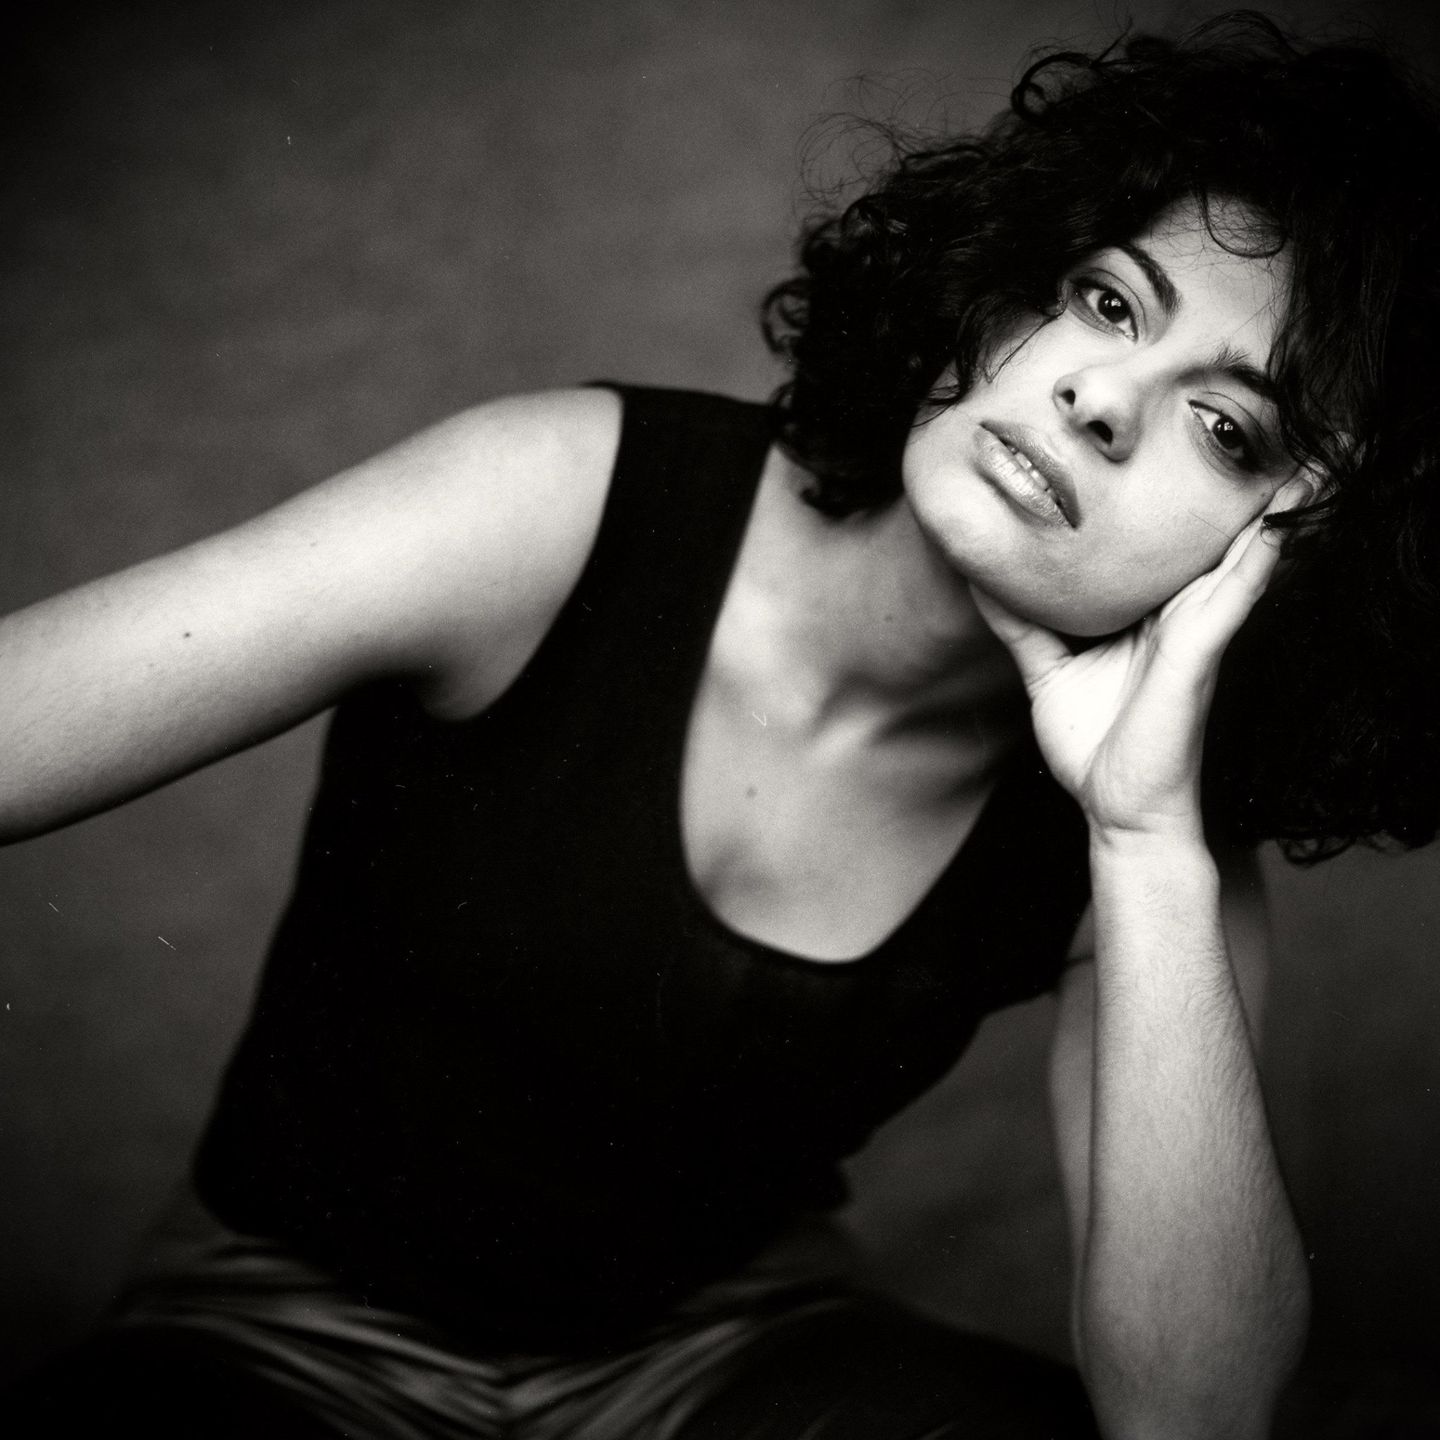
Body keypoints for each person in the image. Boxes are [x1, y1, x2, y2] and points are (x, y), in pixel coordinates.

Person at [3, 11, 1439, 1438]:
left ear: (1303, 558)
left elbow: (1192, 1421)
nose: (1100, 397)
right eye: (1109, 302)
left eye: (1229, 430)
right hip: (282, 1329)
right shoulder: (559, 504)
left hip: (719, 1361)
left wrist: (1140, 841)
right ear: (1003, 283)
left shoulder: (1156, 833)